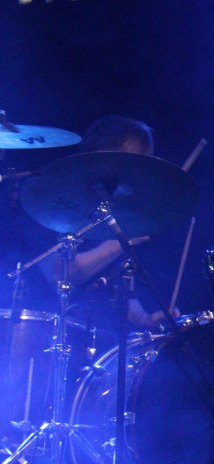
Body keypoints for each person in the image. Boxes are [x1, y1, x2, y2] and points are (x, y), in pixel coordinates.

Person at [37, 115, 172, 337]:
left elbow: (123, 292)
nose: (137, 171)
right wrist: (121, 241)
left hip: (101, 342)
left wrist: (145, 319)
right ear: (101, 155)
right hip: (49, 335)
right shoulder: (57, 201)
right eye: (131, 160)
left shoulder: (123, 212)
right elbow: (59, 276)